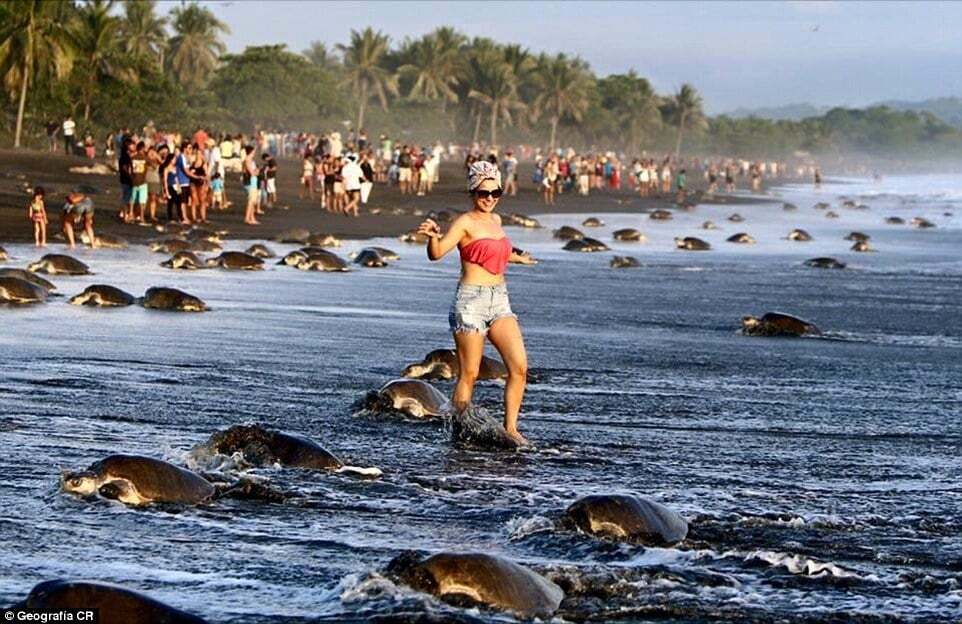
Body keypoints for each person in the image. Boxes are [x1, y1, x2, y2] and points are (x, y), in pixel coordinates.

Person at [416, 161, 535, 446]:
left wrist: (519, 257)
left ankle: (511, 430)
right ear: (473, 192)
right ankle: (458, 431)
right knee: (469, 373)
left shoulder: (496, 221)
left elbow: (495, 254)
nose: (490, 198)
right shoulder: (464, 222)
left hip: (500, 301)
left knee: (519, 368)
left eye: (496, 192)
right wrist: (433, 238)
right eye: (484, 193)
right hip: (470, 302)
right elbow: (438, 253)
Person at [128, 141, 149, 223]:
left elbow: (130, 170)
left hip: (134, 181)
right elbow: (154, 165)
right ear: (143, 148)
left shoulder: (132, 158)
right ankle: (142, 216)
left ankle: (130, 214)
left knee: (132, 199)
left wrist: (131, 177)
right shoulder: (145, 158)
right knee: (142, 201)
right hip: (143, 181)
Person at [242, 146, 260, 225]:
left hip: (253, 181)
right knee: (251, 201)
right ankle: (247, 218)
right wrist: (257, 171)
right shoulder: (247, 160)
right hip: (250, 182)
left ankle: (252, 218)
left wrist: (256, 171)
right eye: (253, 151)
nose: (254, 152)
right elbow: (252, 173)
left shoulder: (250, 160)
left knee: (252, 201)